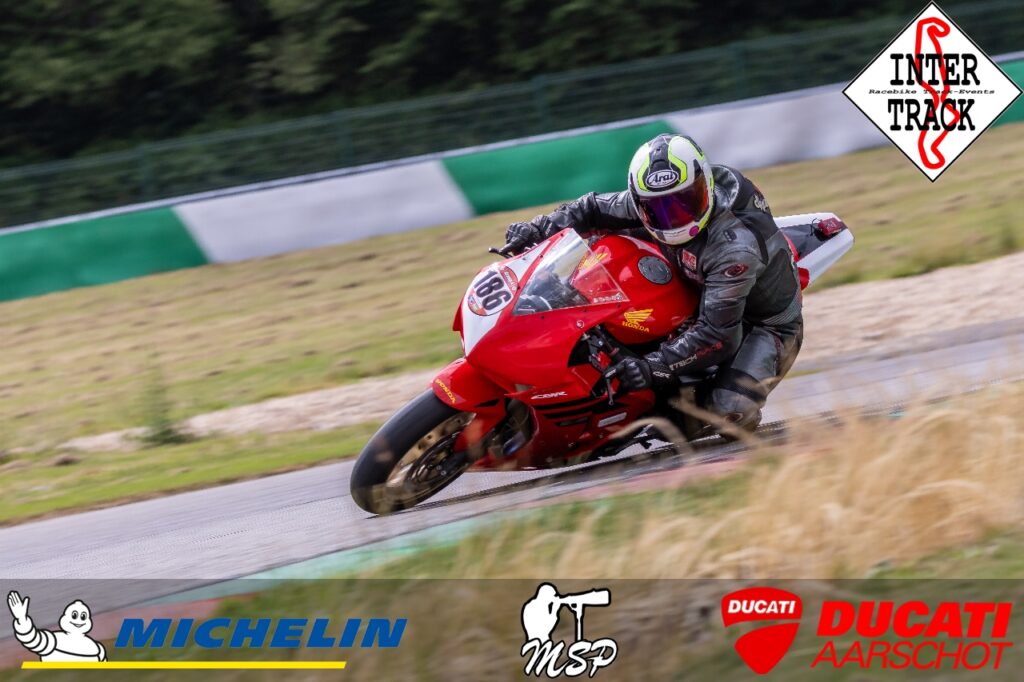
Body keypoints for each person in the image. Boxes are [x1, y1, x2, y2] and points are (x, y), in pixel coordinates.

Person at [504, 134, 802, 431]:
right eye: (657, 208)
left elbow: (717, 335)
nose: (673, 217)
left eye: (686, 202)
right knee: (600, 240)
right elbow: (590, 208)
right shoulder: (648, 201)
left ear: (706, 185)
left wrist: (652, 366)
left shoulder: (734, 250)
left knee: (722, 413)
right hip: (691, 279)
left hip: (762, 323)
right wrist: (538, 228)